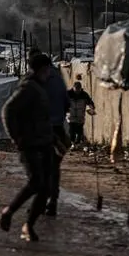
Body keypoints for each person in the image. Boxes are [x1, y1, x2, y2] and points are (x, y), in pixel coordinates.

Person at [0, 50, 54, 242]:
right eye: (48, 69)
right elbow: (7, 111)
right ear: (42, 69)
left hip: (44, 143)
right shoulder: (29, 88)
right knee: (37, 183)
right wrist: (16, 138)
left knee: (45, 188)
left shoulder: (38, 87)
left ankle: (28, 225)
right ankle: (9, 212)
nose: (50, 74)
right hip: (30, 144)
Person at [42, 66, 71, 217]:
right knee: (54, 169)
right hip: (59, 130)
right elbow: (67, 105)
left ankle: (41, 201)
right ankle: (53, 201)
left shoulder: (39, 81)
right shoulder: (60, 82)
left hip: (44, 131)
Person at [67, 81, 96, 146]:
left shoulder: (84, 95)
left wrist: (91, 109)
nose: (77, 91)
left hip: (80, 116)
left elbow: (90, 103)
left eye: (78, 89)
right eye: (76, 89)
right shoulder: (68, 94)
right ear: (73, 88)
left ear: (80, 88)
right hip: (70, 116)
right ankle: (73, 144)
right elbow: (62, 102)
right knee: (72, 130)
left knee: (79, 131)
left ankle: (77, 142)